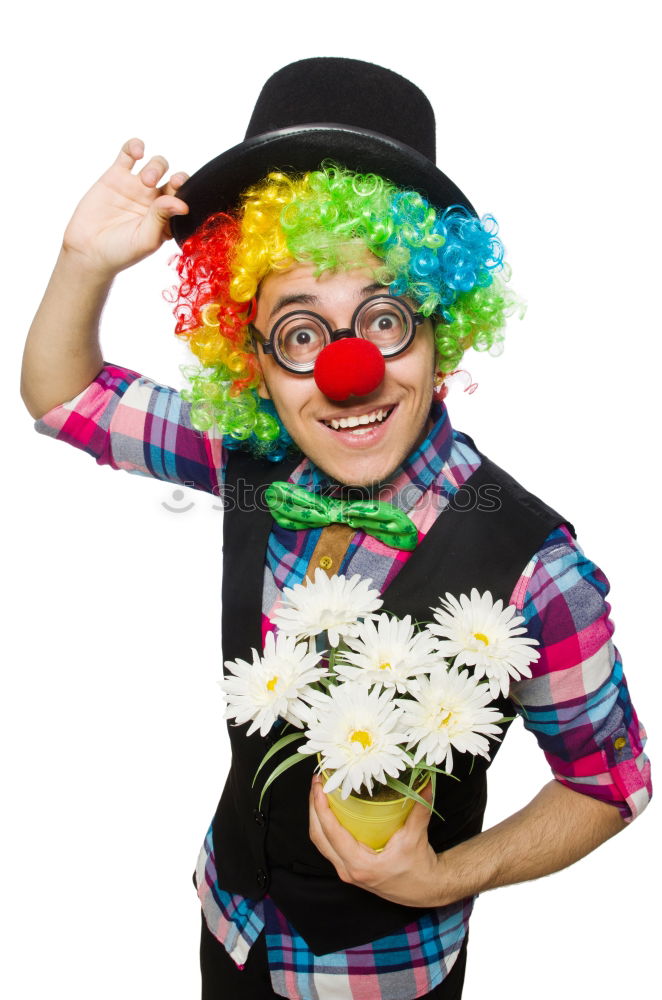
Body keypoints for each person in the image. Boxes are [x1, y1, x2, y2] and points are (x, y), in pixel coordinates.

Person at [20, 58, 651, 1000]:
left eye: (384, 320)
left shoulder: (538, 570)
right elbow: (63, 395)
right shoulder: (250, 455)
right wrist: (82, 262)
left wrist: (445, 874)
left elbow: (610, 785)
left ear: (443, 333)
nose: (348, 374)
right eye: (302, 335)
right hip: (230, 927)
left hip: (384, 974)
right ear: (255, 360)